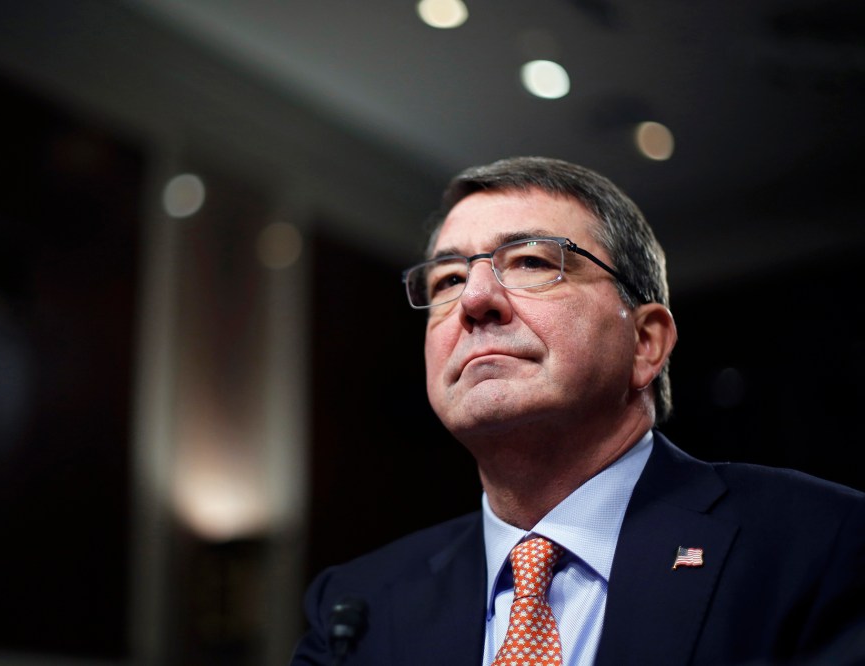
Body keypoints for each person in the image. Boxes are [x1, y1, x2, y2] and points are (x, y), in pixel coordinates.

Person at [289, 156, 865, 666]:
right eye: (449, 278)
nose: (474, 299)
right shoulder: (356, 607)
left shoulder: (819, 543)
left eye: (532, 263)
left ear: (646, 343)